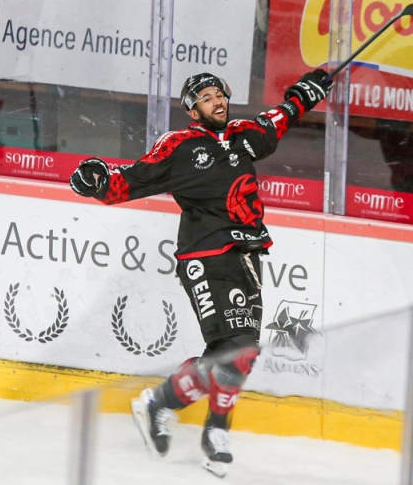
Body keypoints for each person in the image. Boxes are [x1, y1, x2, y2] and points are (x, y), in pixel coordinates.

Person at [69, 70, 331, 477]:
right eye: (206, 98)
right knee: (238, 349)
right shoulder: (180, 145)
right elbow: (130, 181)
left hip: (248, 255)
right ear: (193, 110)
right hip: (205, 255)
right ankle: (216, 433)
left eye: (219, 94)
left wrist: (304, 94)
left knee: (237, 356)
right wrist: (98, 182)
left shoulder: (245, 134)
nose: (217, 101)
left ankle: (160, 403)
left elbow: (280, 117)